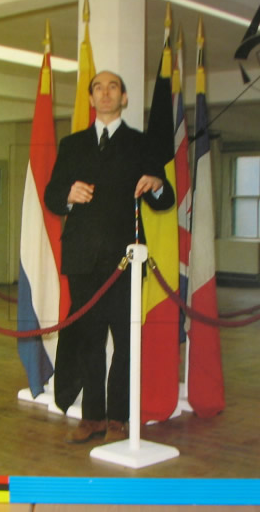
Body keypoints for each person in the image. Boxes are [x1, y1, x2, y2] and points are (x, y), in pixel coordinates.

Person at [44, 70, 174, 444]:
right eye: (98, 88)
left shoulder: (141, 143)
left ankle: (119, 416)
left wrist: (157, 184)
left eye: (112, 87)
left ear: (124, 97)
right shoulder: (72, 144)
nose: (105, 93)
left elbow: (164, 199)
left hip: (125, 260)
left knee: (126, 342)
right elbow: (52, 196)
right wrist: (68, 195)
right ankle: (93, 417)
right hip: (83, 260)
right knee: (89, 341)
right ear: (90, 99)